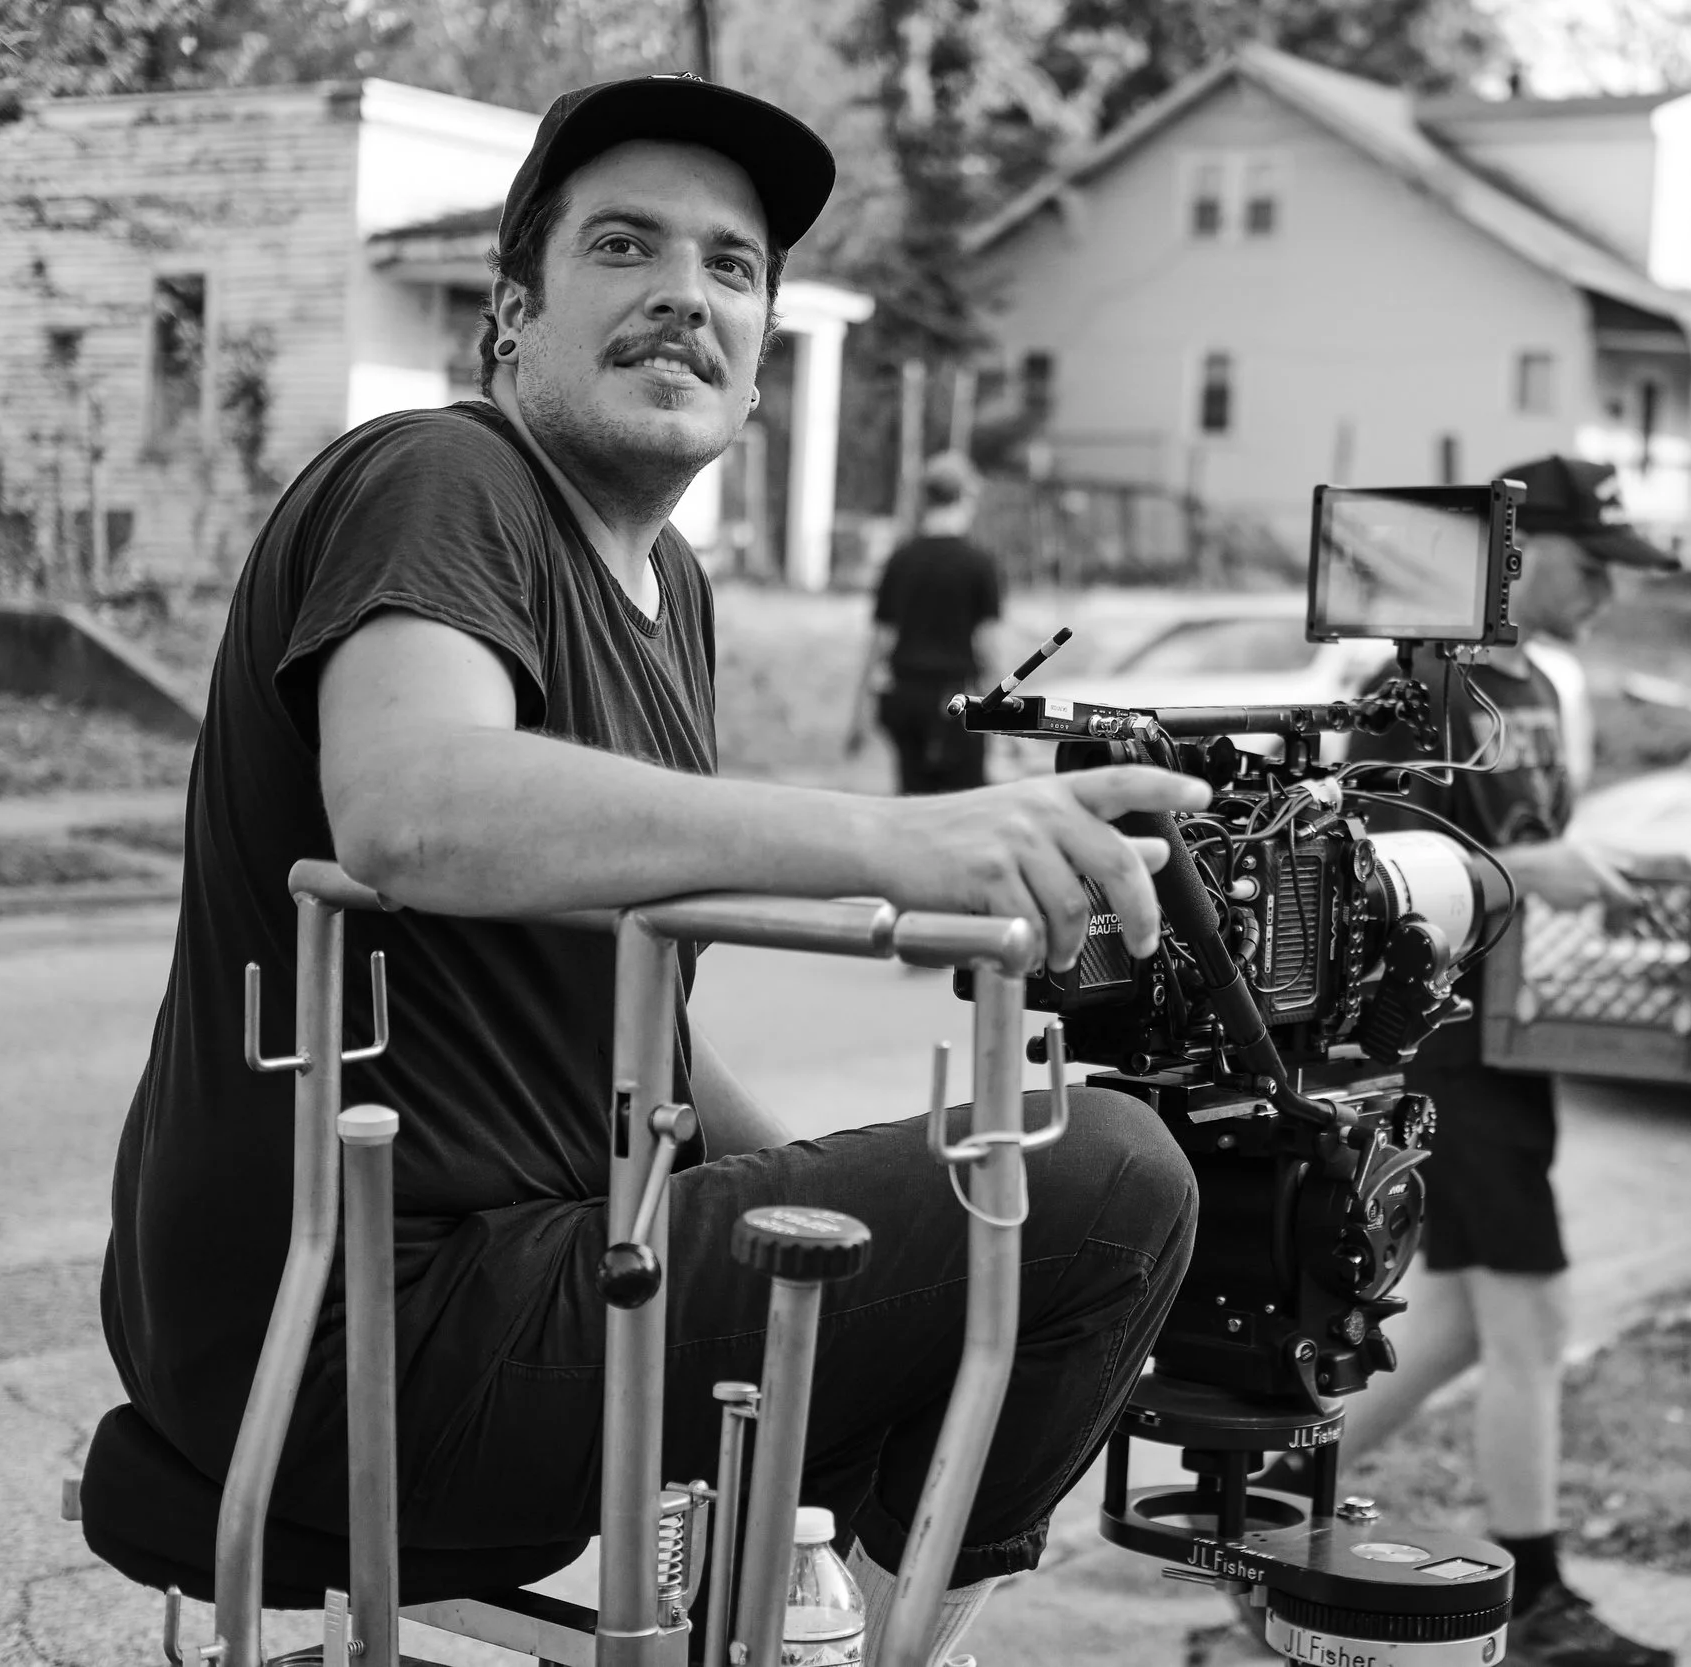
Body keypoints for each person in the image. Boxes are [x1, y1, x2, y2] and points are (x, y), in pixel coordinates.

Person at [99, 76, 1203, 1667]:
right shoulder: (443, 477)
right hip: (355, 1310)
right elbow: (417, 805)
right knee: (1109, 1176)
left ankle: (812, 1614)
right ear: (514, 316)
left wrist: (829, 1167)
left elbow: (621, 1005)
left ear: (757, 365)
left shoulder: (666, 589)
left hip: (512, 1274)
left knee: (1014, 1179)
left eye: (734, 267)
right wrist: (895, 834)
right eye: (626, 246)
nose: (688, 291)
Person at [1293, 456, 1683, 1667]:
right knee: (1532, 1315)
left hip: (1515, 1037)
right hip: (1443, 1042)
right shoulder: (1414, 684)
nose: (1608, 591)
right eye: (1593, 564)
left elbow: (1528, 846)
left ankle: (1273, 1510)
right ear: (1515, 554)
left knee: (1463, 1322)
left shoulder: (1545, 687)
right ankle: (1542, 1596)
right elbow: (1377, 878)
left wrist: (1617, 878)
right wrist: (1533, 876)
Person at [850, 453, 1006, 791]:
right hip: (957, 700)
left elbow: (881, 639)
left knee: (914, 798)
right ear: (966, 497)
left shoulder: (901, 558)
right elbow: (986, 645)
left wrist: (858, 714)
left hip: (904, 699)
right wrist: (1007, 716)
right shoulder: (978, 563)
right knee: (964, 801)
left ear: (926, 498)